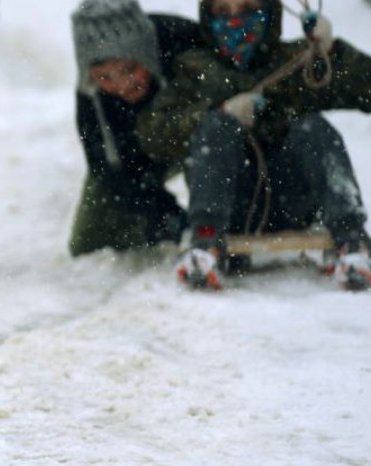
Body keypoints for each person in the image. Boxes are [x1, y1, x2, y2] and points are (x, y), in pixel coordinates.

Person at [137, 0, 371, 291]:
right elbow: (153, 135)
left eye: (247, 8)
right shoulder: (194, 70)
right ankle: (206, 244)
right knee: (216, 127)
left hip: (291, 199)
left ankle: (351, 239)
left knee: (312, 126)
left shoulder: (296, 61)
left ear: (270, 13)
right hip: (228, 203)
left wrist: (333, 52)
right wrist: (218, 113)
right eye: (223, 12)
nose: (235, 22)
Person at [68, 0, 202, 257]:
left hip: (195, 137)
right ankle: (147, 236)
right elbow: (107, 168)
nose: (122, 86)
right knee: (87, 244)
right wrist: (164, 214)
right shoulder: (91, 97)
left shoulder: (185, 43)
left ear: (146, 56)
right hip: (138, 154)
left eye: (130, 69)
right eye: (105, 77)